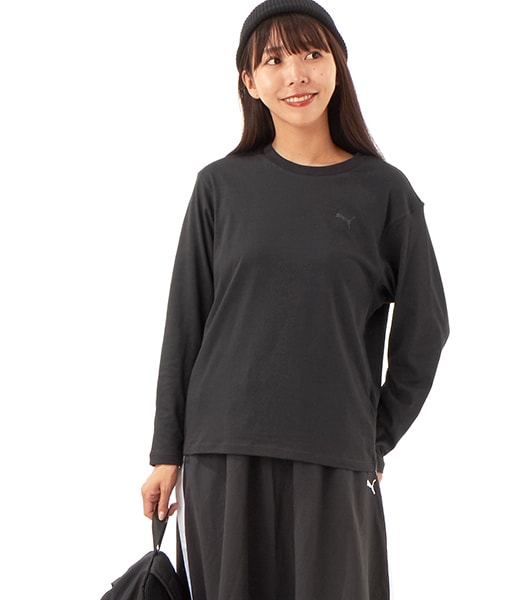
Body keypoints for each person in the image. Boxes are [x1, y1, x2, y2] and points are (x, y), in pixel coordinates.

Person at [141, 0, 450, 598]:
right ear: (249, 81)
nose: (296, 74)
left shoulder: (385, 193)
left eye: (311, 54)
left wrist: (375, 435)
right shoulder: (219, 186)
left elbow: (426, 330)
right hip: (222, 450)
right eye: (274, 61)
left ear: (338, 65)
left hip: (334, 451)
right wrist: (165, 452)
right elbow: (186, 322)